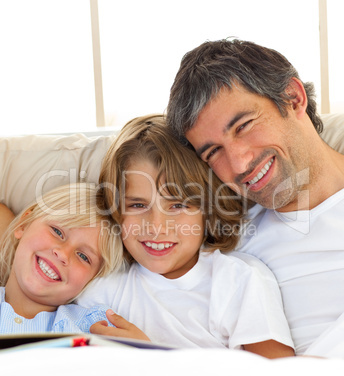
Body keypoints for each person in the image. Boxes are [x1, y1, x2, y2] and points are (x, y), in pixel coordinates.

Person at [165, 38, 344, 355]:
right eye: (213, 152)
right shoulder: (229, 244)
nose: (238, 163)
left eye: (243, 126)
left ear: (292, 98)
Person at [78, 114, 295, 358]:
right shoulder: (103, 289)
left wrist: (152, 359)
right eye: (137, 205)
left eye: (178, 205)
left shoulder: (237, 280)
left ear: (207, 209)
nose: (156, 227)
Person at [0, 182, 148, 339]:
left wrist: (144, 355)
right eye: (57, 231)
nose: (63, 254)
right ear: (23, 224)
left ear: (93, 279)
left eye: (83, 257)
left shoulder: (93, 326)